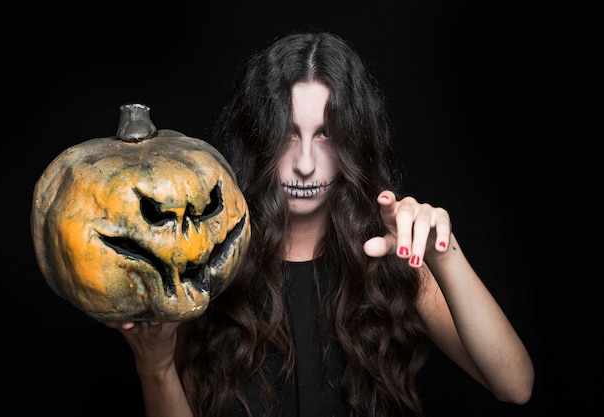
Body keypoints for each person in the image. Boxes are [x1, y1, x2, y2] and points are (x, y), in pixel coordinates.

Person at [103, 31, 534, 417]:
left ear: (354, 140)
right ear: (258, 137)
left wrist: (444, 253)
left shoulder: (392, 254)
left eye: (325, 134)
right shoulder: (208, 261)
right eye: (288, 133)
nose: (306, 165)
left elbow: (515, 387)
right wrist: (154, 368)